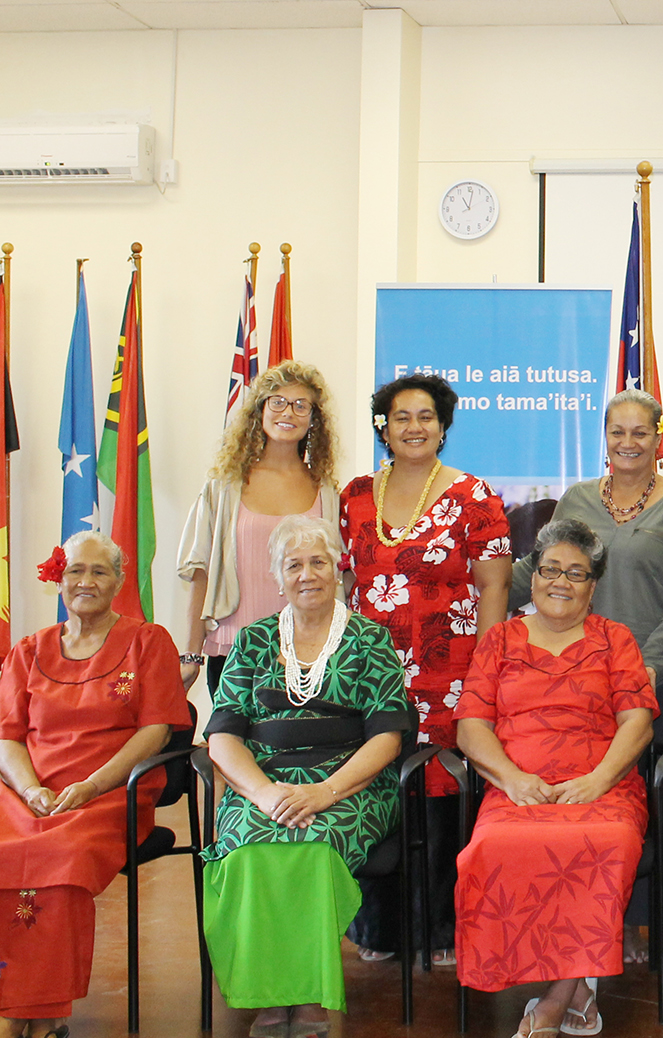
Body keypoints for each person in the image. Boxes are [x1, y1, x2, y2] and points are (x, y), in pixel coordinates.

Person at [509, 389, 663, 960]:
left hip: (649, 680)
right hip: (578, 681)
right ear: (605, 436)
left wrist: (646, 669)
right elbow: (541, 570)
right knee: (586, 800)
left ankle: (637, 923)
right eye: (617, 431)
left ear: (658, 438)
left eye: (640, 432)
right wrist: (484, 583)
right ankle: (583, 919)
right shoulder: (577, 499)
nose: (628, 442)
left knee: (641, 797)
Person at [201, 516, 411, 1038]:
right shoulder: (252, 641)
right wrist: (262, 793)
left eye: (318, 561)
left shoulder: (369, 639)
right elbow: (223, 735)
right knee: (250, 849)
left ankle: (310, 995)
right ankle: (272, 997)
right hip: (264, 782)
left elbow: (388, 736)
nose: (307, 574)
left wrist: (324, 791)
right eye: (293, 564)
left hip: (349, 783)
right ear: (277, 577)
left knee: (314, 847)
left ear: (337, 568)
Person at [456, 519, 658, 1038]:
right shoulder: (499, 640)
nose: (560, 582)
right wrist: (511, 778)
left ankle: (553, 1001)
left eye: (576, 572)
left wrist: (598, 780)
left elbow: (637, 722)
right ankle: (579, 990)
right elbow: (471, 726)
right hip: (517, 787)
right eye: (550, 569)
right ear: (533, 576)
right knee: (493, 846)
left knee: (606, 841)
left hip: (602, 787)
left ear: (594, 584)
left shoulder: (615, 640)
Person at [341, 372, 512, 963]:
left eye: (426, 417)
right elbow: (348, 583)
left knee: (442, 798)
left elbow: (495, 588)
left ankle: (442, 929)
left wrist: (484, 676)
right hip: (371, 675)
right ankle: (378, 929)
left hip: (450, 672)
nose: (414, 427)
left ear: (443, 427)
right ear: (383, 428)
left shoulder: (474, 496)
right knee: (377, 788)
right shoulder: (355, 495)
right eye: (401, 417)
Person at [0, 532, 189, 1038]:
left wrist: (90, 786)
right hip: (30, 793)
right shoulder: (28, 650)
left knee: (61, 856)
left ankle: (30, 1014)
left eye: (99, 571)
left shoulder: (148, 642)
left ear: (119, 581)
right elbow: (6, 737)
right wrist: (30, 790)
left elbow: (156, 730)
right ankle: (24, 1005)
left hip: (109, 793)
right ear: (59, 580)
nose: (86, 581)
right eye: (75, 571)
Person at [178, 360, 341, 697]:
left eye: (301, 405)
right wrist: (191, 654)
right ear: (260, 411)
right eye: (277, 402)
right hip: (235, 649)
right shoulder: (224, 488)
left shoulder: (326, 492)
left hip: (313, 650)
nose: (288, 412)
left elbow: (338, 575)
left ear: (314, 418)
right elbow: (200, 571)